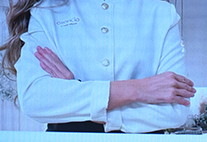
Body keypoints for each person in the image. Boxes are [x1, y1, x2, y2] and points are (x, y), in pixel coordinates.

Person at [1, 0, 195, 132]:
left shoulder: (161, 12)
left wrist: (75, 93)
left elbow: (175, 112)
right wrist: (138, 90)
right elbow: (35, 97)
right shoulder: (46, 10)